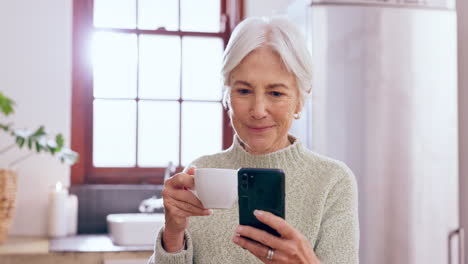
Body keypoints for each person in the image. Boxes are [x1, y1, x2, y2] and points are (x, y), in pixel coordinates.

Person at [148, 16, 359, 264]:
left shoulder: (332, 181)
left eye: (276, 93)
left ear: (300, 99)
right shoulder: (200, 173)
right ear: (227, 95)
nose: (258, 110)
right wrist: (173, 235)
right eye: (244, 91)